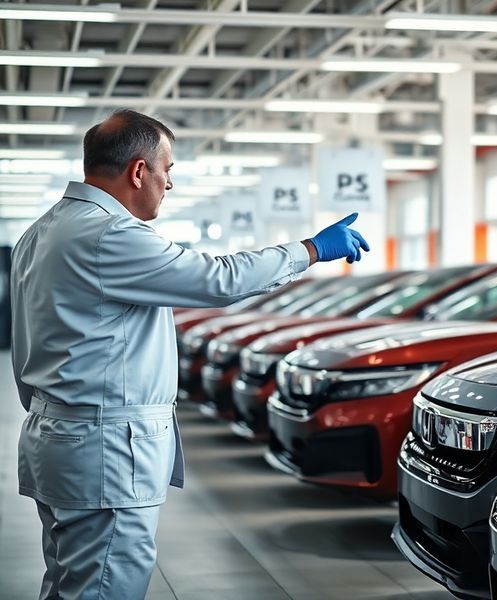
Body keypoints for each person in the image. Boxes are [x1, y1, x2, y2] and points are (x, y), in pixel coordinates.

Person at [10, 108, 370, 600]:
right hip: (103, 448)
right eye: (168, 170)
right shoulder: (109, 234)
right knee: (105, 587)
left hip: (60, 438)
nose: (169, 184)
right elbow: (218, 278)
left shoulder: (40, 232)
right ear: (140, 171)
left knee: (70, 582)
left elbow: (26, 348)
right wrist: (310, 249)